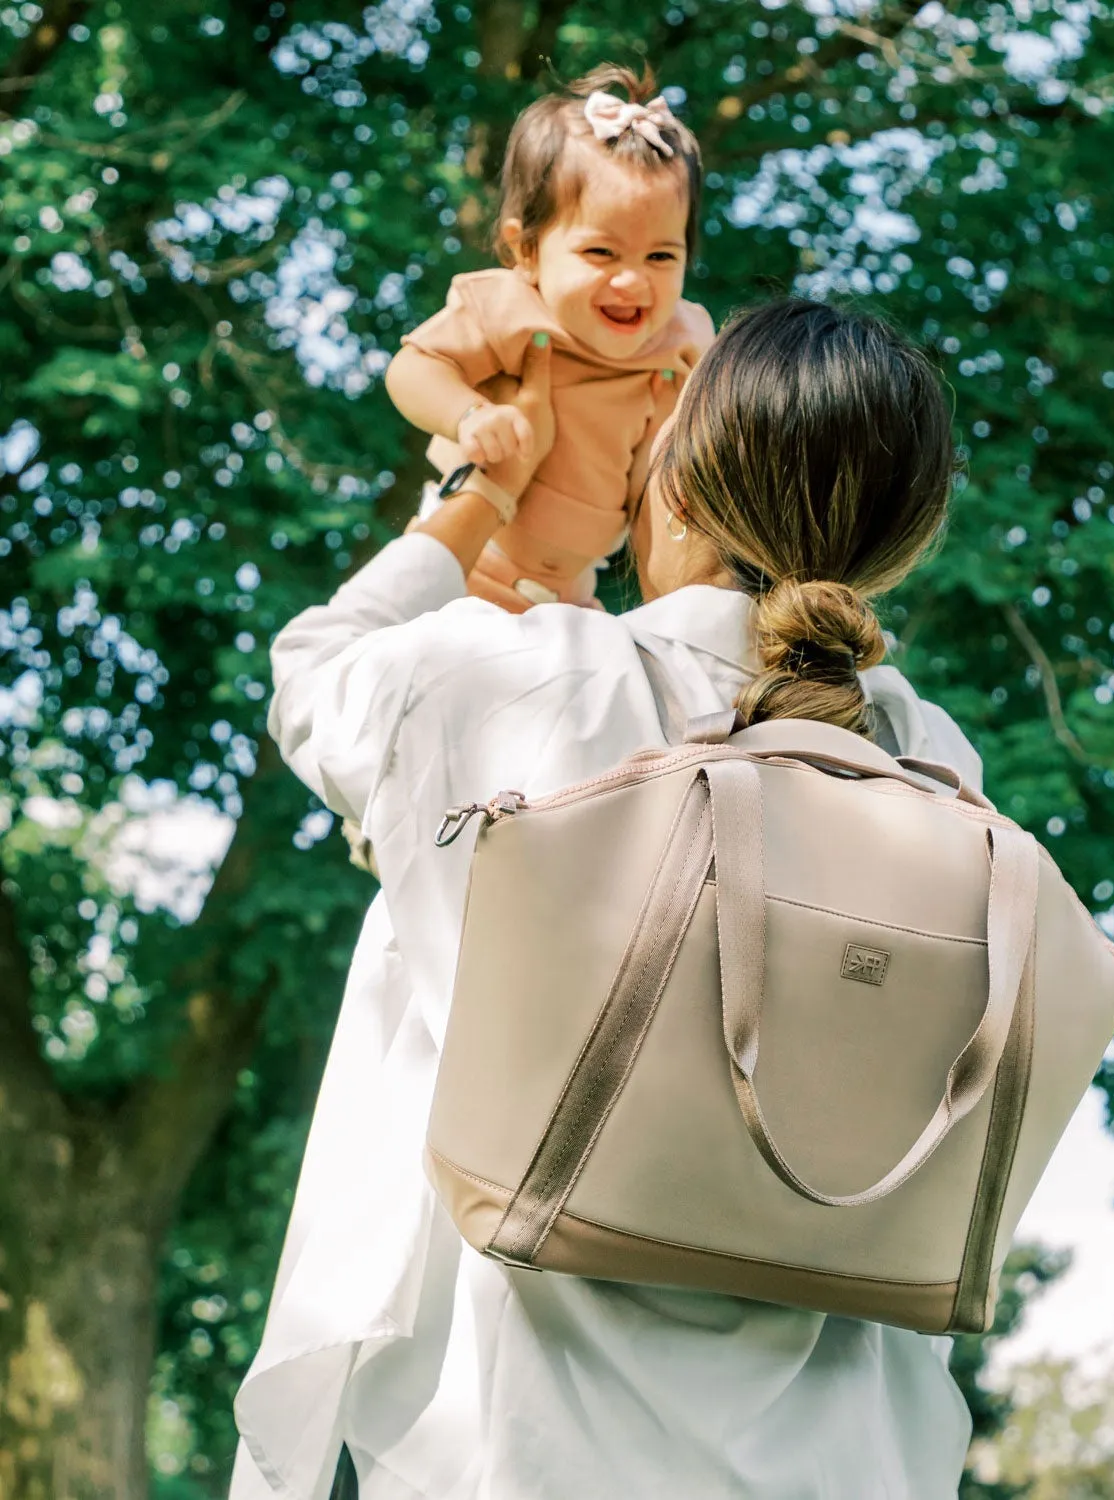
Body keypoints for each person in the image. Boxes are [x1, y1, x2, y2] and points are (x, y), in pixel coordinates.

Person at [231, 299, 981, 1500]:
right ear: (900, 543)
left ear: (673, 486)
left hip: (528, 1438)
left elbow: (310, 673)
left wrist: (480, 487)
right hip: (851, 1454)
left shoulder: (516, 682)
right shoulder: (938, 769)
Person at [385, 62, 714, 609]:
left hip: (572, 596)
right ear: (527, 250)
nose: (632, 280)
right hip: (463, 564)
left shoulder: (683, 342)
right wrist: (469, 415)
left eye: (660, 256)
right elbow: (413, 368)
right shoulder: (508, 309)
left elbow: (657, 487)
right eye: (600, 253)